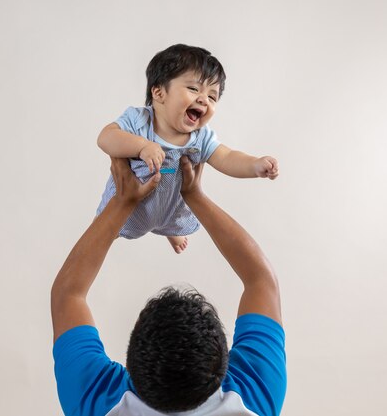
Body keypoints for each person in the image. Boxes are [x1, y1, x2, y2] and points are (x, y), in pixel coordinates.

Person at [52, 157, 286, 416]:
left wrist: (122, 202)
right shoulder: (253, 401)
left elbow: (68, 295)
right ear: (223, 364)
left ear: (133, 358)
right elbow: (261, 280)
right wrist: (195, 196)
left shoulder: (99, 402)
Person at [96, 44, 279, 254]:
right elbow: (105, 137)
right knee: (103, 232)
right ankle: (153, 229)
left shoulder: (200, 136)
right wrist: (142, 147)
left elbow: (226, 156)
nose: (203, 99)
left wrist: (254, 165)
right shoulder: (139, 121)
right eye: (193, 89)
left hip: (169, 209)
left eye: (212, 96)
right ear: (158, 92)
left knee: (168, 218)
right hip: (130, 207)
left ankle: (168, 230)